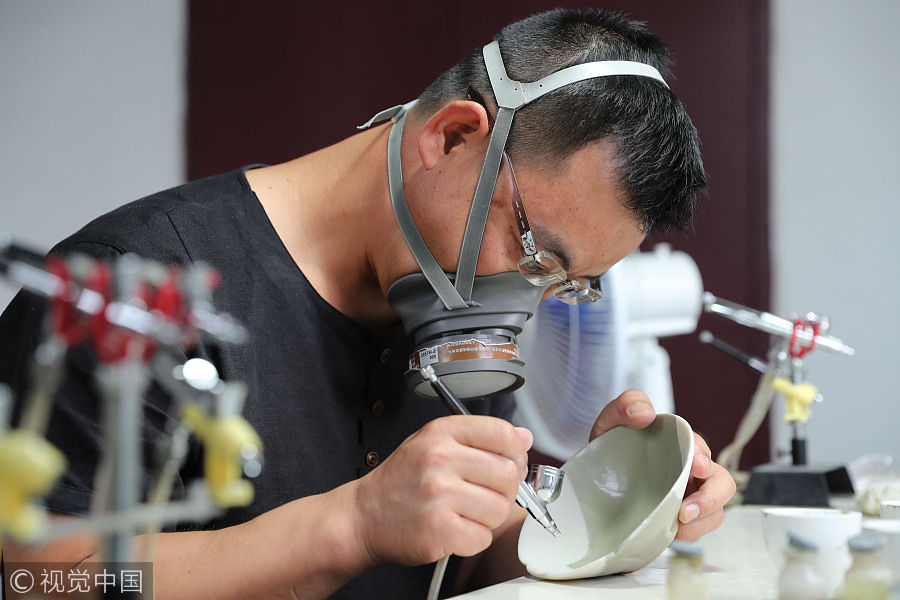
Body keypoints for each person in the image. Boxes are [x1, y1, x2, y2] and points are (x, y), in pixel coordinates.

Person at [0, 7, 735, 599]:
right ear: (451, 137)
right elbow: (35, 575)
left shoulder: (443, 308)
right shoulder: (133, 284)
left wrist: (602, 507)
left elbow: (454, 560)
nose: (529, 299)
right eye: (535, 253)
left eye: (564, 283)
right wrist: (347, 526)